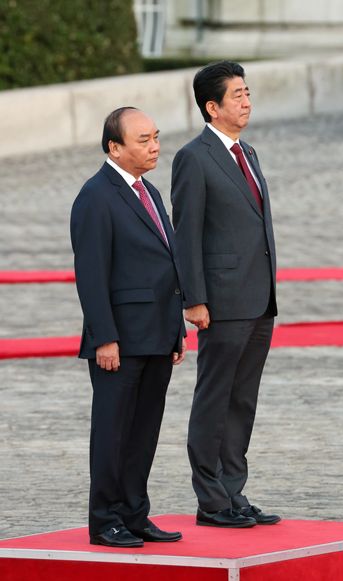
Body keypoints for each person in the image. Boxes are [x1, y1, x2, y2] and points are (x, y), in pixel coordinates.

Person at [171, 61, 280, 528]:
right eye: (237, 95)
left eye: (248, 92)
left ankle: (233, 492)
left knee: (243, 399)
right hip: (221, 301)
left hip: (258, 298)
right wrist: (194, 299)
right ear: (211, 107)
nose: (246, 101)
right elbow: (187, 232)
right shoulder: (194, 157)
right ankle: (211, 501)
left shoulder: (247, 151)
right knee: (215, 398)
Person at [70, 107, 186, 547]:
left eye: (155, 136)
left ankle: (135, 514)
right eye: (143, 139)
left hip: (157, 334)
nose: (154, 145)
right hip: (119, 340)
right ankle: (104, 521)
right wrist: (106, 338)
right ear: (114, 147)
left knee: (143, 432)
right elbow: (92, 274)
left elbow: (167, 265)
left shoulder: (150, 192)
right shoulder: (96, 196)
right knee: (113, 432)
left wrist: (175, 330)